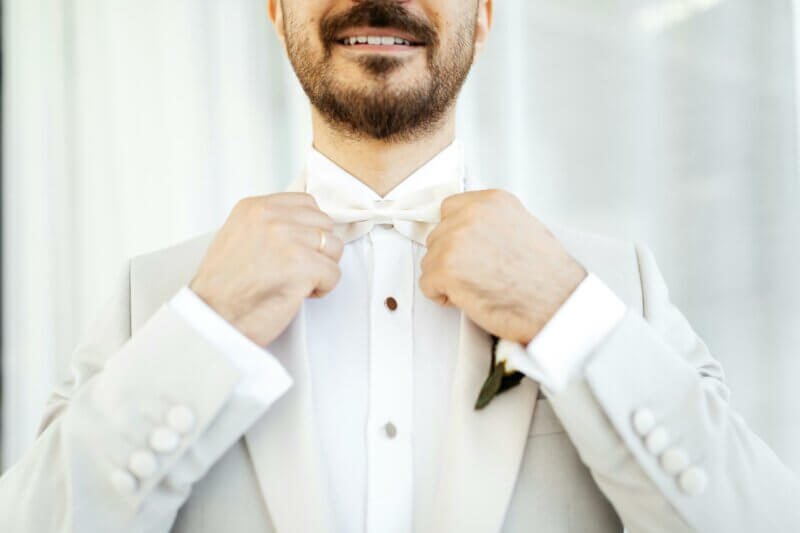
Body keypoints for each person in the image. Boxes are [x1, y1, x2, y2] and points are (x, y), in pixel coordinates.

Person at [1, 0, 798, 531]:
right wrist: (206, 330)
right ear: (276, 9)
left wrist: (568, 317)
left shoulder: (614, 284)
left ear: (484, 16)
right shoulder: (159, 297)